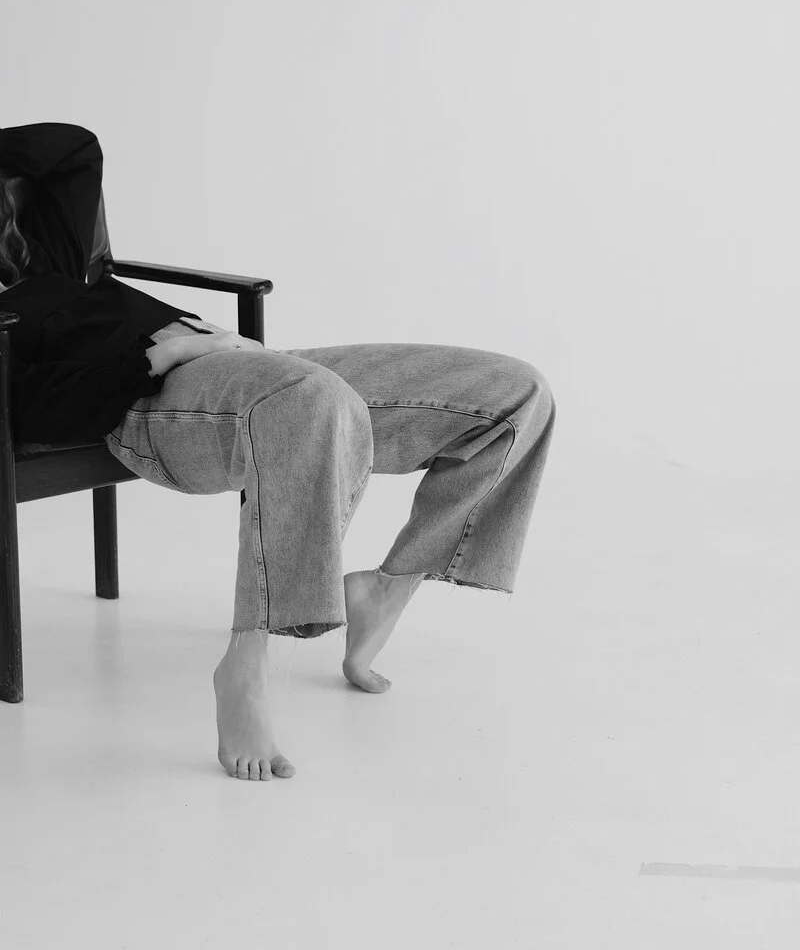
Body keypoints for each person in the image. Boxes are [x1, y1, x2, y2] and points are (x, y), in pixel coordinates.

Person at [0, 122, 557, 782]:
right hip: (154, 404)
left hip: (247, 367)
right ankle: (248, 659)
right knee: (311, 400)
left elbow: (72, 147)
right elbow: (37, 413)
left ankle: (389, 586)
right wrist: (166, 355)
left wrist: (209, 346)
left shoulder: (49, 262)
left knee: (514, 393)